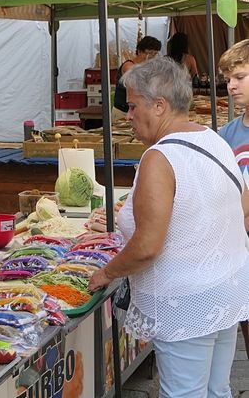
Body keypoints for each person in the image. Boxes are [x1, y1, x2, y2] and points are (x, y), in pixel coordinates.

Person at [89, 57, 249, 397]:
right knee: (215, 390)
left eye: (132, 106)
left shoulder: (159, 158)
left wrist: (107, 273)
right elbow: (244, 206)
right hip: (225, 289)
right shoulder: (214, 139)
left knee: (185, 393)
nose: (128, 116)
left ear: (159, 105)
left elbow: (148, 245)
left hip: (186, 302)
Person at [217, 38, 249, 360]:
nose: (231, 85)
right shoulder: (226, 135)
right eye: (227, 79)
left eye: (239, 77)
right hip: (241, 252)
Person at [112, 36, 162, 121]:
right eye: (149, 53)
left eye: (155, 54)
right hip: (123, 112)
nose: (151, 57)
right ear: (139, 51)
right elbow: (139, 87)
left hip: (139, 111)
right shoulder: (129, 66)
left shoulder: (148, 67)